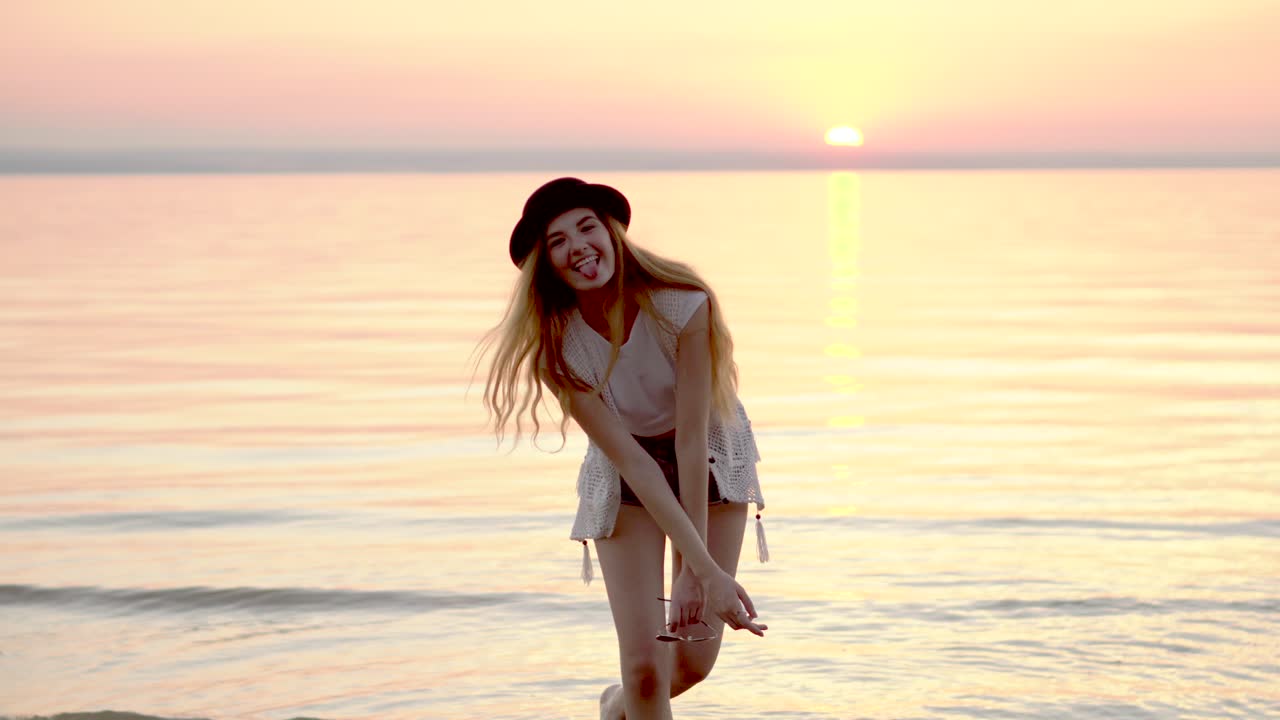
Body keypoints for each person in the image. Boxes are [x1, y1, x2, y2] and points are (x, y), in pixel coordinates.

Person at [478, 177, 768, 719]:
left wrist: (695, 569)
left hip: (707, 463)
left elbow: (690, 439)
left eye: (587, 227)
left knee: (690, 664)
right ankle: (627, 699)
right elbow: (633, 461)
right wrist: (705, 572)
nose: (579, 245)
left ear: (612, 234)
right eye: (558, 240)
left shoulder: (682, 306)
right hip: (626, 479)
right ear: (546, 263)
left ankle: (617, 710)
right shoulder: (556, 348)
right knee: (642, 670)